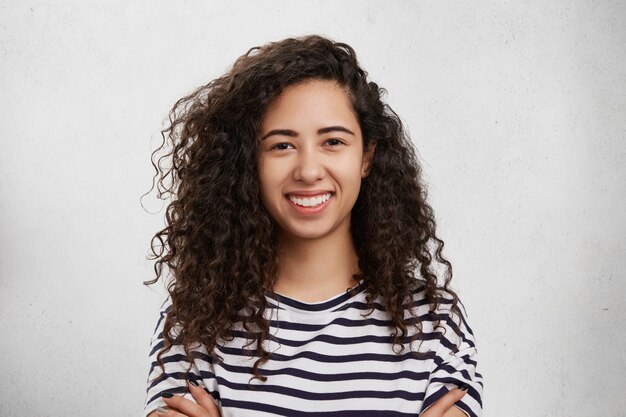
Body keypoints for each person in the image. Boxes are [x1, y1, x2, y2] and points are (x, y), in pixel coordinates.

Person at [143, 35, 483, 417]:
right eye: (281, 145)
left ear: (366, 157)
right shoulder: (195, 323)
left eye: (333, 141)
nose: (307, 171)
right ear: (248, 164)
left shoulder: (435, 323)